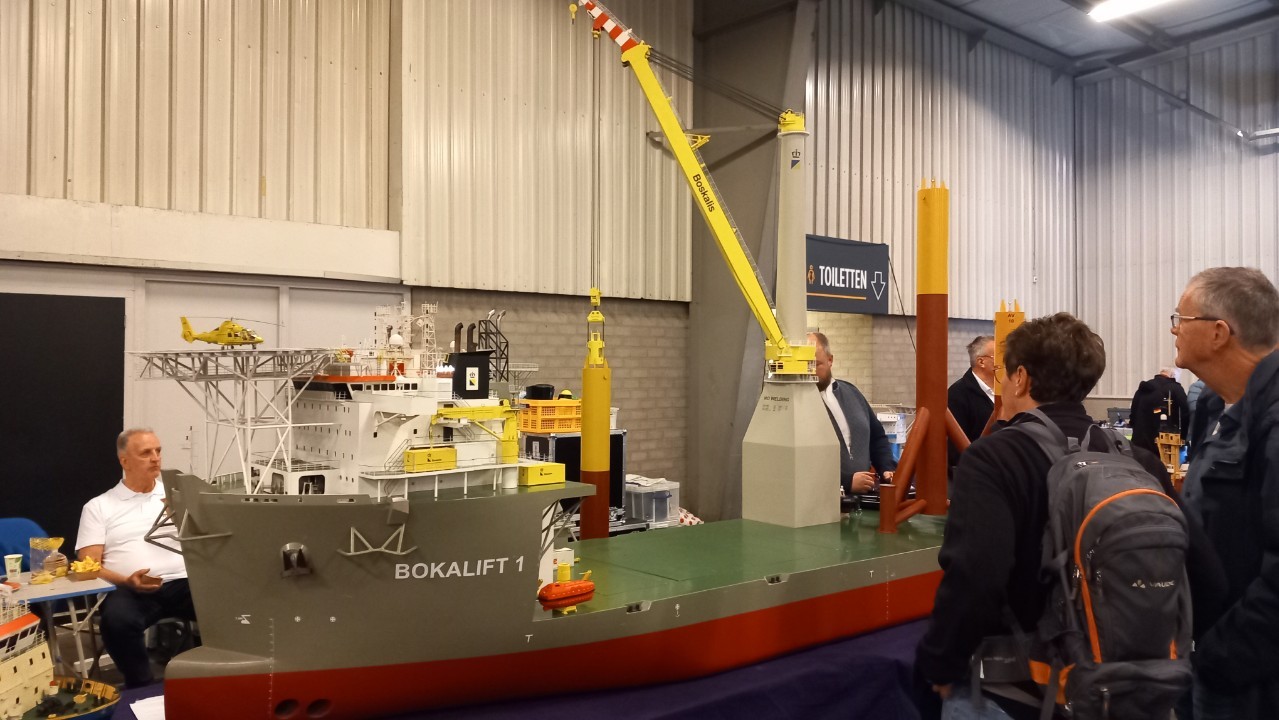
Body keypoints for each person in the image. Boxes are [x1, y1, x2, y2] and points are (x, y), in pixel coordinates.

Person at [915, 313, 1223, 719]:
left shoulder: (993, 459)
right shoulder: (1138, 461)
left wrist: (940, 664)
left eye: (1005, 376)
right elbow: (1206, 576)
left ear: (1021, 378)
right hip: (1122, 692)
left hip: (1017, 692)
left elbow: (975, 578)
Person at [1172, 266, 1279, 718]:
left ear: (1218, 333)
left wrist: (1218, 657)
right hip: (1205, 657)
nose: (1174, 329)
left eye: (1181, 318)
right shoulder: (1217, 407)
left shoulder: (1272, 421)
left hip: (1249, 680)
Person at [76, 428, 195, 688]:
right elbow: (88, 565)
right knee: (117, 621)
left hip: (183, 582)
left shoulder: (176, 497)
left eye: (158, 451)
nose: (155, 458)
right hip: (129, 589)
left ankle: (216, 679)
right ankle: (141, 687)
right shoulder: (99, 506)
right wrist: (126, 581)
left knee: (229, 604)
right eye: (145, 453)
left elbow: (206, 540)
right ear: (125, 461)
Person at [808, 332, 896, 496]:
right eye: (805, 365)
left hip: (861, 500)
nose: (810, 371)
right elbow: (802, 462)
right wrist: (845, 482)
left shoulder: (852, 393)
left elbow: (877, 437)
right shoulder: (799, 405)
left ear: (830, 360)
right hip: (821, 500)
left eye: (815, 364)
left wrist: (886, 467)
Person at [947, 335, 996, 470]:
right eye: (999, 356)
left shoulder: (1006, 391)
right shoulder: (957, 395)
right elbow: (954, 449)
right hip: (976, 471)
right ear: (981, 362)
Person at [1128, 367, 1190, 456]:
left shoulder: (1143, 388)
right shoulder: (1175, 388)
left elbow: (1133, 412)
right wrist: (1183, 436)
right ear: (1173, 375)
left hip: (1139, 440)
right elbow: (1185, 413)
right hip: (1164, 441)